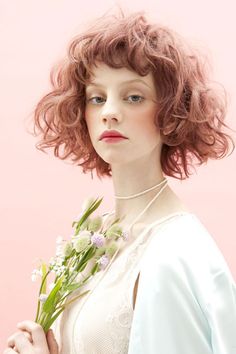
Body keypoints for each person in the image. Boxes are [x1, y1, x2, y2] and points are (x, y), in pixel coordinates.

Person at [4, 8, 236, 354]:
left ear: (171, 111)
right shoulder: (98, 238)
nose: (110, 111)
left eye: (133, 96)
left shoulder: (173, 255)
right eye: (97, 97)